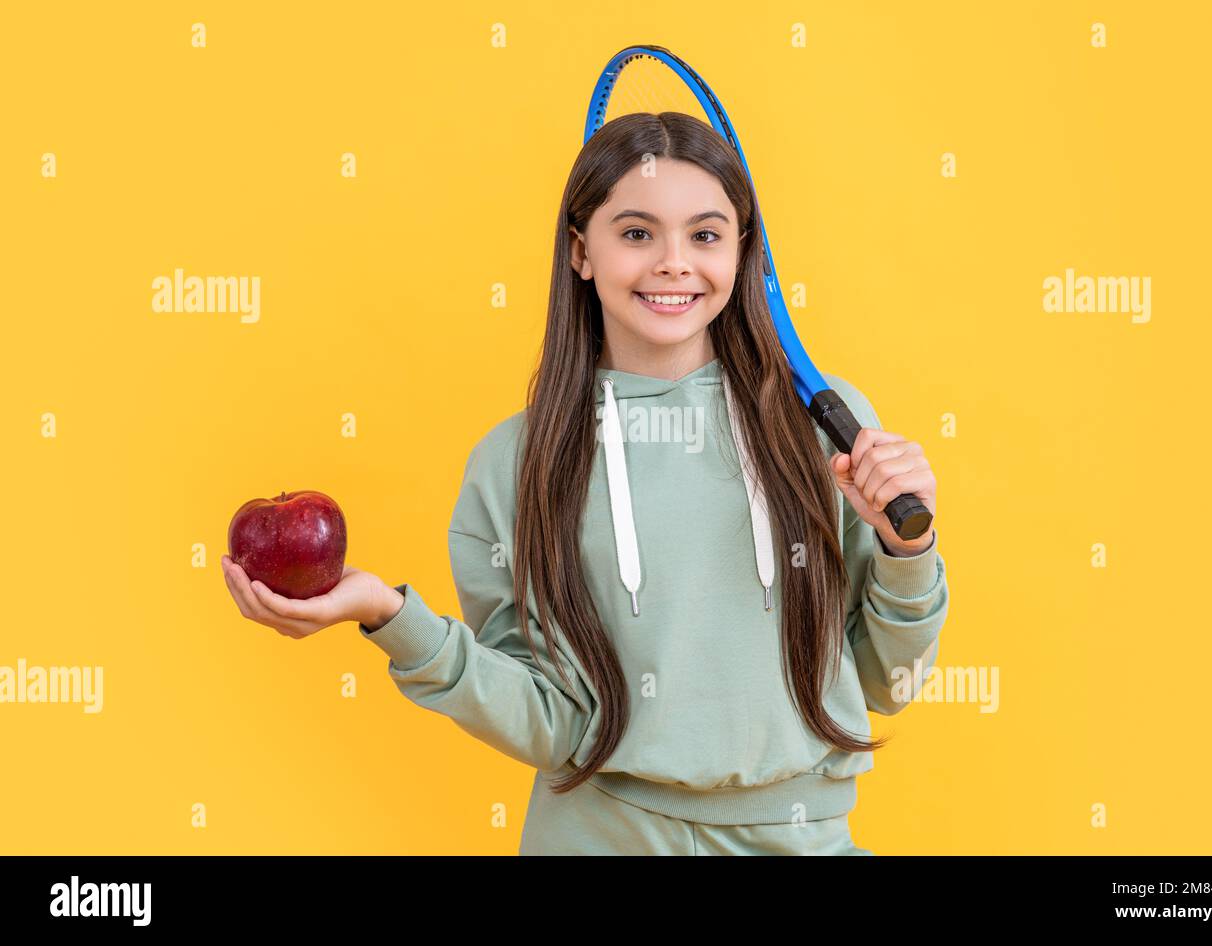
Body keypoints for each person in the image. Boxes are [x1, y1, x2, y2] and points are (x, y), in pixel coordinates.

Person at [220, 111, 949, 855]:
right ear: (581, 251)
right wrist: (388, 615)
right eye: (636, 233)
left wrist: (905, 550)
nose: (673, 263)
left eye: (704, 234)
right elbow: (552, 721)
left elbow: (887, 680)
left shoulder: (829, 432)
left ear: (741, 251)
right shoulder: (514, 465)